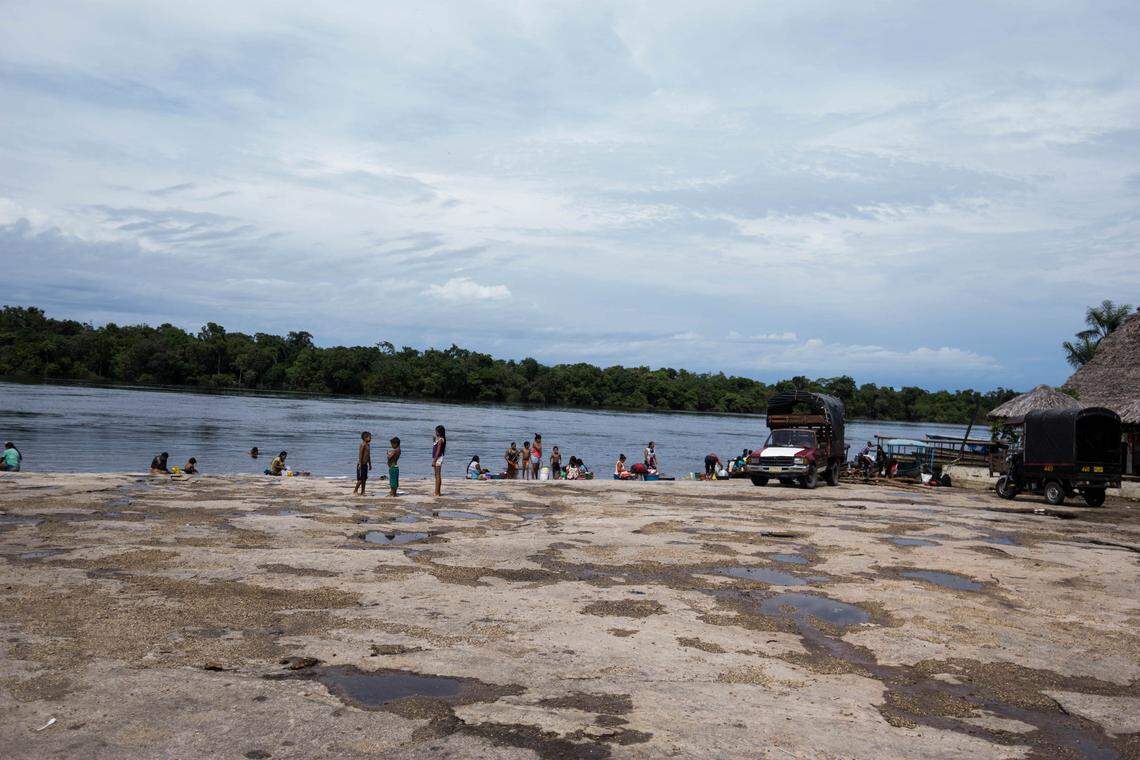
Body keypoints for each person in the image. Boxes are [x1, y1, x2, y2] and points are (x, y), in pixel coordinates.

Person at [354, 432, 372, 496]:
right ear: (365, 438)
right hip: (361, 464)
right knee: (360, 479)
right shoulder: (363, 445)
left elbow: (368, 456)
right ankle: (355, 490)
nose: (371, 438)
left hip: (365, 465)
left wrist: (370, 464)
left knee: (364, 479)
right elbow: (360, 455)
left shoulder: (368, 445)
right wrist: (360, 464)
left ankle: (363, 491)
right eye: (369, 437)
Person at [432, 425, 446, 497]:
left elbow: (438, 451)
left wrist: (434, 460)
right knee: (436, 475)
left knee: (438, 475)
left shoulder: (441, 440)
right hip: (436, 458)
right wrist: (434, 436)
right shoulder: (437, 439)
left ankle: (437, 492)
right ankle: (437, 491)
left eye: (436, 431)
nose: (435, 432)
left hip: (438, 458)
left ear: (439, 432)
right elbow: (433, 440)